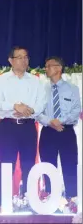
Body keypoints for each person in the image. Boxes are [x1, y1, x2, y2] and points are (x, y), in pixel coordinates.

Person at [0, 46, 46, 207]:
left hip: (28, 127)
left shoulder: (35, 81)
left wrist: (29, 111)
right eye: (19, 57)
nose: (24, 60)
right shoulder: (0, 80)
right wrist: (15, 106)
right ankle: (3, 203)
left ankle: (30, 202)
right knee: (6, 164)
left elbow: (41, 103)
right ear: (10, 60)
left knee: (29, 163)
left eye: (26, 57)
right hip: (8, 128)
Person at [37, 56, 81, 200]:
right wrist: (50, 122)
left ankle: (72, 198)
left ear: (58, 68)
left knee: (70, 164)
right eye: (46, 66)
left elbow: (76, 111)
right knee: (48, 165)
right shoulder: (42, 89)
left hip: (66, 131)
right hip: (48, 131)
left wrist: (59, 121)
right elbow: (37, 112)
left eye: (49, 66)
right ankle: (50, 196)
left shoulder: (72, 89)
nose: (46, 69)